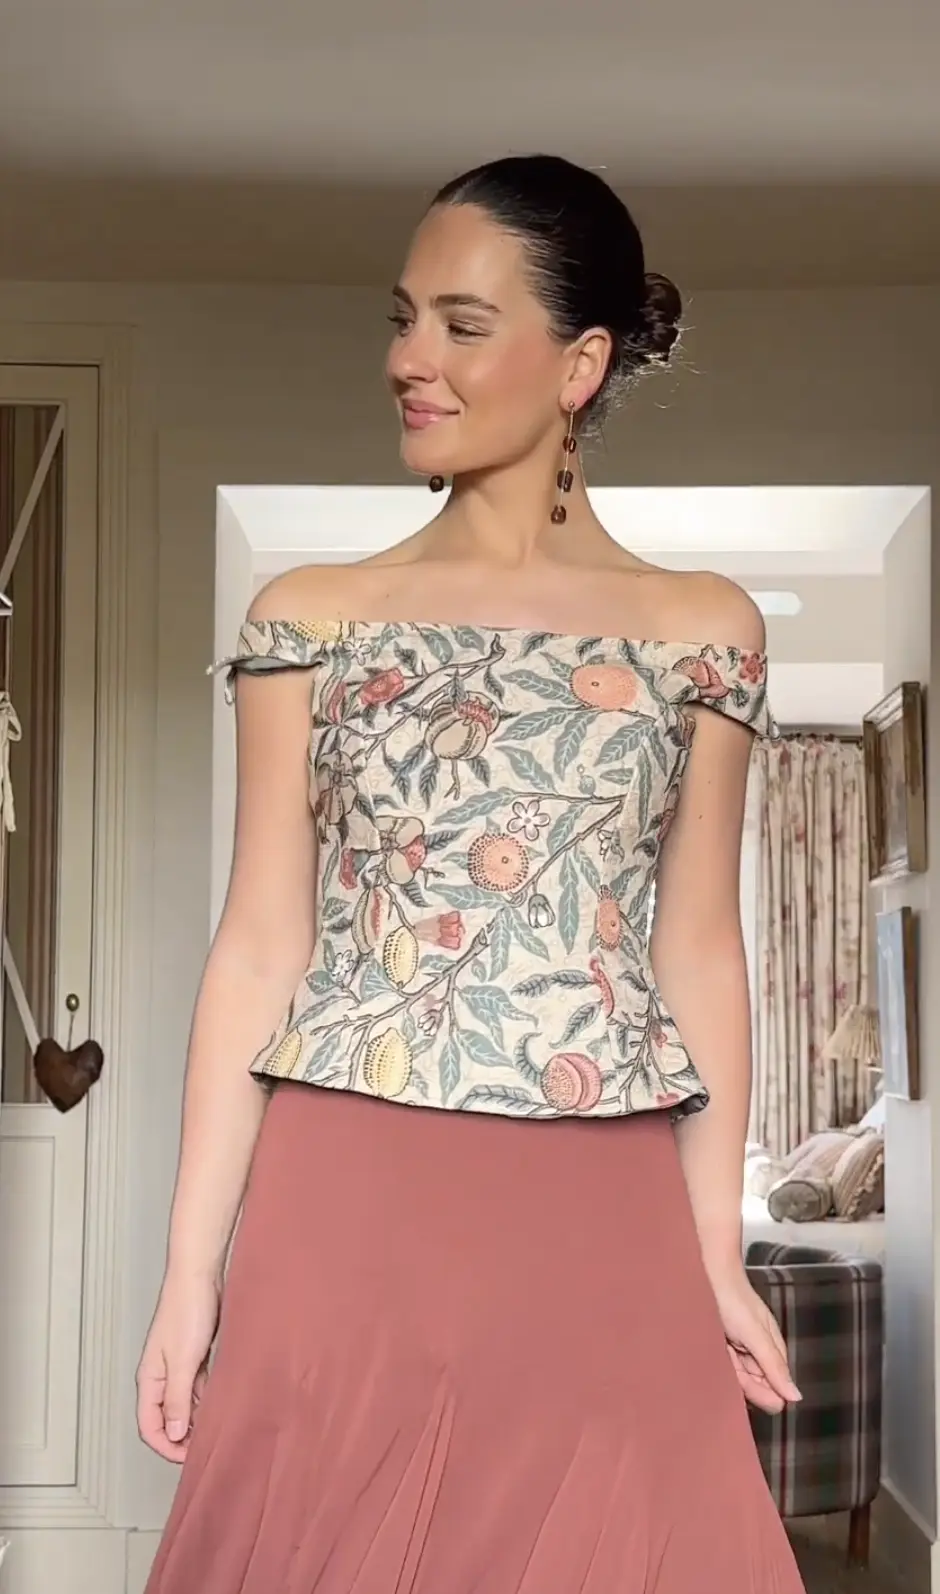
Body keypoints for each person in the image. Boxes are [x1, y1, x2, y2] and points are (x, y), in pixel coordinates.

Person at [139, 153, 806, 1593]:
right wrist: (191, 1274)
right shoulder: (310, 617)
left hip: (598, 1197)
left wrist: (713, 1252)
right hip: (345, 1191)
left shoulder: (703, 631)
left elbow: (699, 948)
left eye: (460, 323)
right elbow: (260, 943)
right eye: (403, 319)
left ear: (580, 364)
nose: (408, 360)